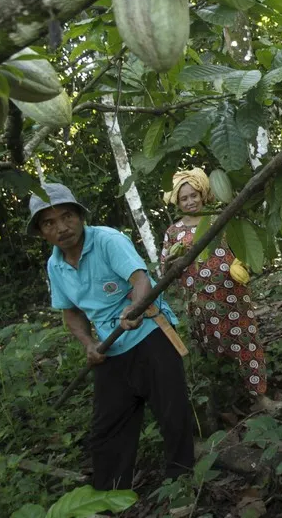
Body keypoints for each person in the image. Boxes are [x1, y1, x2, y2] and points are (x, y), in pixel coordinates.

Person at [29, 183, 194, 491]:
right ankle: (109, 496)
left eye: (67, 216)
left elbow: (139, 279)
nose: (62, 228)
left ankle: (181, 483)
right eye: (49, 223)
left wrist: (135, 307)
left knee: (173, 413)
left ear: (80, 216)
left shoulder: (108, 240)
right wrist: (88, 343)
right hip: (110, 348)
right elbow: (71, 312)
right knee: (106, 430)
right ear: (41, 233)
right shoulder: (55, 265)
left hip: (148, 332)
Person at [159, 168, 279, 414]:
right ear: (177, 202)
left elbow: (241, 246)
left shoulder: (219, 219)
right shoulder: (174, 233)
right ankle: (226, 401)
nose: (190, 201)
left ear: (203, 194)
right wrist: (171, 263)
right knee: (212, 349)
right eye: (184, 198)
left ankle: (260, 397)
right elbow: (165, 269)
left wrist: (244, 262)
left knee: (247, 344)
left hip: (233, 295)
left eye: (194, 195)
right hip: (201, 302)